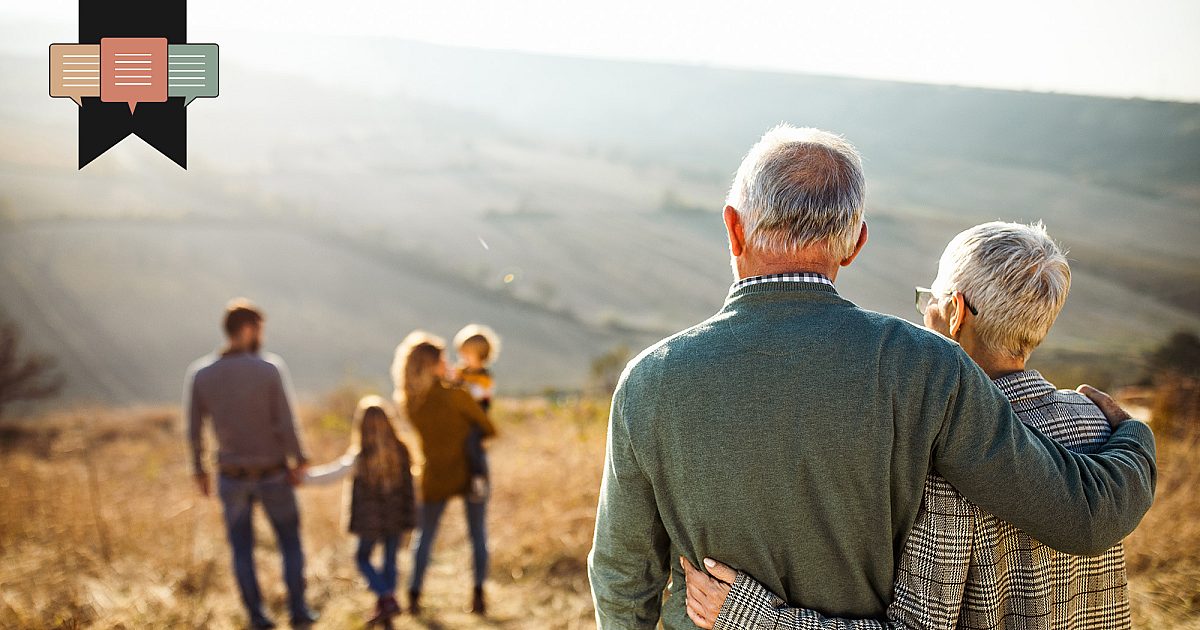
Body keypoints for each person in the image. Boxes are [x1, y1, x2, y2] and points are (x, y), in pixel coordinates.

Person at [586, 125, 1157, 629]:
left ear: (733, 230)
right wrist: (1132, 436)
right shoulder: (928, 367)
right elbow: (1076, 514)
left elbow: (622, 575)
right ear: (856, 243)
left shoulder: (649, 382)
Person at [682, 221, 1139, 629]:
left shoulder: (945, 450)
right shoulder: (1097, 423)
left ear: (956, 314)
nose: (923, 314)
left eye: (930, 300)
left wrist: (751, 617)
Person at [184, 298, 319, 629]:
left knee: (241, 549)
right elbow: (285, 423)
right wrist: (299, 459)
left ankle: (258, 618)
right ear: (247, 330)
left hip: (230, 476)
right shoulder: (268, 368)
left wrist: (199, 470)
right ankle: (298, 611)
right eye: (259, 329)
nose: (262, 337)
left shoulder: (201, 374)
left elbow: (193, 428)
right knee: (290, 542)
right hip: (273, 473)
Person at [391, 331, 498, 615]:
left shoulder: (410, 402)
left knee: (424, 536)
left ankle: (413, 595)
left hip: (434, 472)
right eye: (442, 358)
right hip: (471, 470)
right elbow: (488, 427)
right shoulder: (456, 396)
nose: (449, 361)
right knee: (477, 534)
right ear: (432, 364)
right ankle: (478, 595)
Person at [305, 395, 416, 625]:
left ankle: (386, 598)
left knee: (362, 558)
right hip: (396, 517)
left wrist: (303, 478)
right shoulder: (402, 451)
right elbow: (411, 488)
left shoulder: (360, 456)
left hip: (370, 521)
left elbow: (332, 474)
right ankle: (387, 605)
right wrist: (410, 515)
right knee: (390, 561)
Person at [450, 323, 501, 503]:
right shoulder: (461, 372)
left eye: (467, 354)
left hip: (478, 420)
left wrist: (461, 384)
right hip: (463, 419)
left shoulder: (484, 377)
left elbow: (478, 396)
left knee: (472, 443)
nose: (463, 358)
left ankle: (478, 477)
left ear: (480, 355)